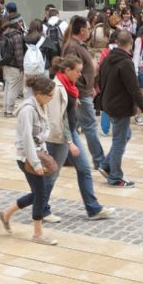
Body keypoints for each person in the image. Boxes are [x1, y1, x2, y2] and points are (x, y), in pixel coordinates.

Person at [43, 55, 115, 222]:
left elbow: (66, 107)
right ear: (67, 70)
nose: (80, 75)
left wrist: (74, 103)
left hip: (70, 132)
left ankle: (93, 208)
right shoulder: (56, 87)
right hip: (59, 137)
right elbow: (57, 119)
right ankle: (42, 209)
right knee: (52, 174)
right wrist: (69, 142)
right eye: (77, 71)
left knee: (84, 169)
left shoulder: (69, 85)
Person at [0, 76, 58, 246]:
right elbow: (26, 139)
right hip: (27, 158)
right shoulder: (27, 110)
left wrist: (40, 138)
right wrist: (36, 163)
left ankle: (7, 213)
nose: (51, 98)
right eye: (50, 95)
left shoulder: (41, 105)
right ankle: (37, 234)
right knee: (40, 194)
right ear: (39, 93)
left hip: (36, 153)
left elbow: (45, 130)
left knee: (38, 193)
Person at [98, 30, 143, 187]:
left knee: (125, 135)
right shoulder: (126, 63)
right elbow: (135, 90)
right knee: (119, 141)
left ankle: (105, 164)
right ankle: (115, 176)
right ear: (130, 44)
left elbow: (99, 80)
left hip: (109, 104)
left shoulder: (108, 58)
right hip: (119, 107)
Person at [63, 16, 105, 170]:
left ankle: (67, 156)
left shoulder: (78, 45)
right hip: (80, 94)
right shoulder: (73, 47)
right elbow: (70, 72)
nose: (90, 31)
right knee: (90, 126)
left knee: (74, 125)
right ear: (82, 31)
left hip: (83, 91)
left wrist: (91, 84)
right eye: (88, 28)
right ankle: (99, 160)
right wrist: (81, 89)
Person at [0, 15, 25, 117]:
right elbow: (19, 53)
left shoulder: (4, 33)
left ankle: (5, 109)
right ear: (17, 23)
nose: (22, 24)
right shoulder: (16, 35)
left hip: (5, 64)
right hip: (15, 66)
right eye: (21, 22)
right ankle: (9, 111)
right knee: (13, 89)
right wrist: (21, 66)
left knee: (8, 88)